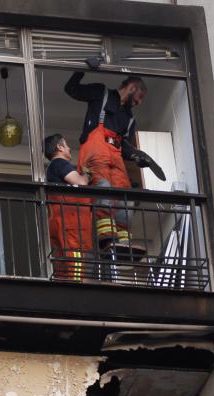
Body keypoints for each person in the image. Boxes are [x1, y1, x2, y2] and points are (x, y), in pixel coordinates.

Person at [64, 65, 152, 254]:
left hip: (116, 158)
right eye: (140, 96)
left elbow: (125, 146)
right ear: (133, 87)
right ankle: (106, 239)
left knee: (126, 198)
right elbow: (70, 89)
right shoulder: (101, 94)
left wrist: (137, 156)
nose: (139, 102)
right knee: (102, 189)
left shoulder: (129, 119)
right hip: (96, 154)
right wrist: (83, 68)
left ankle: (123, 241)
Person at [44, 133, 92, 281]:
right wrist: (87, 175)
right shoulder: (60, 163)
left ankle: (65, 285)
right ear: (59, 147)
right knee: (74, 253)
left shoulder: (52, 168)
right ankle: (75, 286)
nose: (70, 148)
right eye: (66, 145)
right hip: (69, 220)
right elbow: (80, 182)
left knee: (62, 259)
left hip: (59, 219)